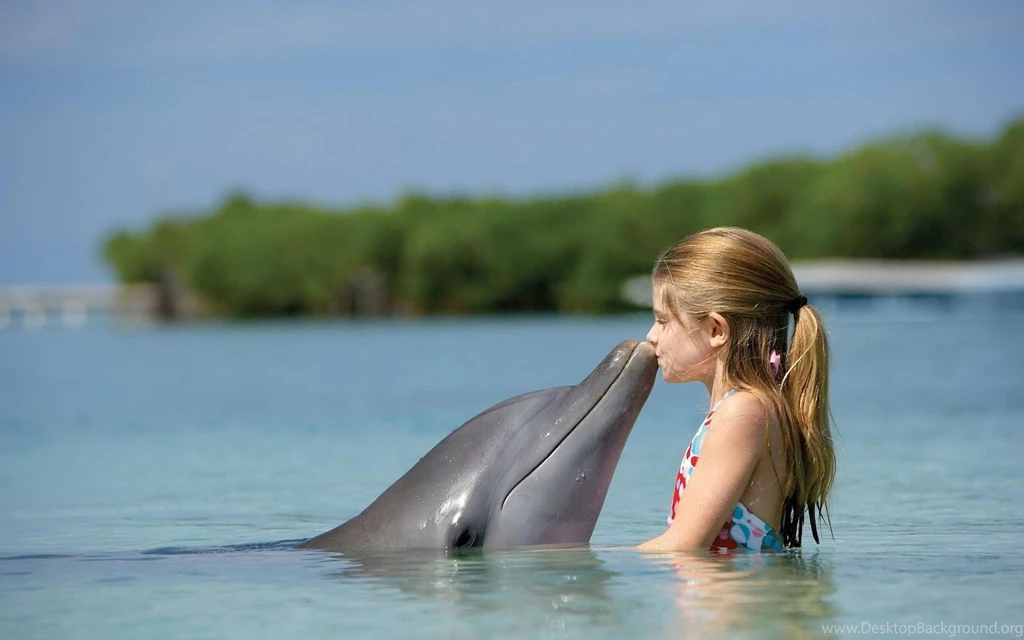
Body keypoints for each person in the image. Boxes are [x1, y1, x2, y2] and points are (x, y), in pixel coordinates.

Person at [636, 227, 835, 553]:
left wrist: (580, 566)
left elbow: (683, 547)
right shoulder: (749, 408)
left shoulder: (743, 411)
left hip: (736, 603)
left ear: (716, 329)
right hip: (732, 601)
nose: (651, 336)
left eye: (663, 320)